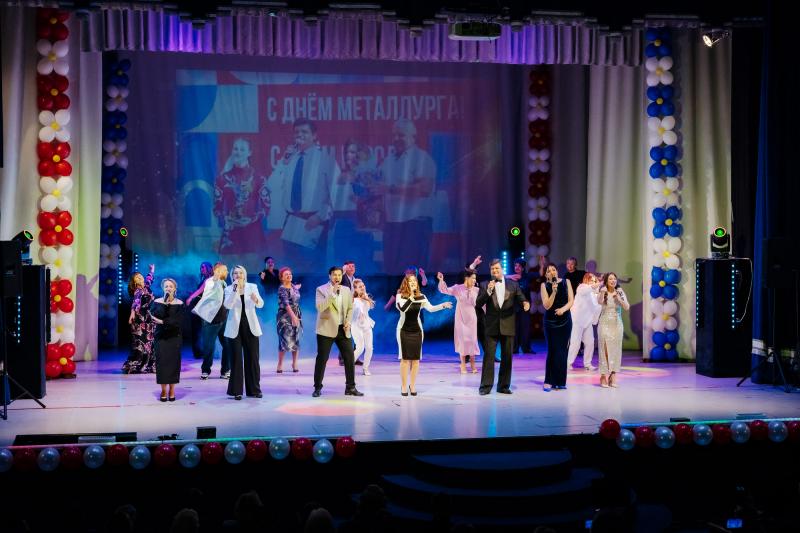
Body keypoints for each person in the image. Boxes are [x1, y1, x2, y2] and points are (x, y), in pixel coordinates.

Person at [267, 118, 339, 269]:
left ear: (314, 135)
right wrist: (284, 161)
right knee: (291, 269)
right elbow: (271, 185)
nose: (300, 135)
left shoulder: (325, 159)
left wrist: (320, 216)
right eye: (297, 132)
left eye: (304, 132)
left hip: (314, 222)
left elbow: (336, 194)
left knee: (313, 270)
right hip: (291, 221)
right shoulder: (289, 159)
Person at [378, 119, 436, 272]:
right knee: (392, 272)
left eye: (401, 135)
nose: (396, 138)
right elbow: (381, 190)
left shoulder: (421, 158)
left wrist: (391, 189)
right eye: (394, 135)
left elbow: (425, 189)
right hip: (392, 225)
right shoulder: (388, 161)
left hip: (415, 225)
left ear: (413, 137)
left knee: (413, 275)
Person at [476, 259, 530, 395]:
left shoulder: (513, 285)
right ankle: (485, 386)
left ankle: (503, 386)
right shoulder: (484, 284)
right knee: (489, 357)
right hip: (491, 325)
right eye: (492, 269)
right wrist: (488, 291)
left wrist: (525, 303)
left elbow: (521, 298)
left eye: (497, 268)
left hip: (508, 324)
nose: (495, 271)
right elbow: (478, 303)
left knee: (507, 357)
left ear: (502, 270)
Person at [396, 273, 453, 396]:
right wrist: (411, 298)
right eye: (410, 281)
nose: (413, 283)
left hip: (417, 331)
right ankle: (404, 386)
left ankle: (412, 385)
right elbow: (403, 309)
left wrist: (443, 305)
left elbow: (431, 308)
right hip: (403, 331)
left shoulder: (421, 296)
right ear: (406, 283)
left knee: (416, 360)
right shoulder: (400, 296)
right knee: (405, 359)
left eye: (414, 281)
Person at [312, 266, 363, 397]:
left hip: (343, 329)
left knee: (349, 357)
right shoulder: (321, 289)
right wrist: (333, 293)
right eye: (334, 275)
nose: (337, 277)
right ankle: (317, 387)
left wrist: (348, 322)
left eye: (339, 275)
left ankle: (350, 387)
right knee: (322, 359)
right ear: (329, 276)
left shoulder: (346, 290)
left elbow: (350, 308)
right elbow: (320, 307)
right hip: (326, 329)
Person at [214, 138, 269, 254]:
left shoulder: (259, 178)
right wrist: (226, 218)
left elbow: (267, 207)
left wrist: (252, 219)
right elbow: (216, 208)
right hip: (230, 235)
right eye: (235, 149)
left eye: (242, 149)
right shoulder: (222, 179)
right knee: (227, 266)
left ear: (249, 153)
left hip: (252, 235)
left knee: (252, 265)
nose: (238, 152)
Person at [223, 265, 264, 400]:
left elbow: (260, 304)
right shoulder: (229, 289)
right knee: (236, 359)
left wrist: (255, 299)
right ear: (232, 276)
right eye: (235, 273)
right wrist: (235, 290)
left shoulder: (252, 287)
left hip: (250, 325)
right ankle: (237, 391)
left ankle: (254, 390)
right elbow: (227, 305)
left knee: (253, 359)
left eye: (240, 273)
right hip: (234, 326)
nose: (238, 275)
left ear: (244, 275)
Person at [192, 263, 232, 380]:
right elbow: (205, 291)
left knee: (227, 345)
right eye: (223, 270)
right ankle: (205, 370)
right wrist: (191, 298)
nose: (226, 272)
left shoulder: (224, 283)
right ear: (216, 270)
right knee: (209, 347)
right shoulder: (210, 281)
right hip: (211, 320)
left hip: (223, 318)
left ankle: (225, 370)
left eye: (225, 270)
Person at [437, 269, 480, 374]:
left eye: (475, 278)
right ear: (467, 278)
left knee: (472, 340)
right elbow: (444, 290)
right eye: (473, 278)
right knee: (462, 340)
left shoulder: (476, 290)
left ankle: (473, 364)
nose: (475, 280)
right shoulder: (458, 288)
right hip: (460, 317)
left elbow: (483, 304)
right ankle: (463, 364)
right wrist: (441, 280)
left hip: (471, 318)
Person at [541, 262, 574, 391]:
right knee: (552, 350)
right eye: (549, 271)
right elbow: (547, 305)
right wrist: (554, 292)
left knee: (563, 350)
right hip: (550, 321)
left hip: (565, 320)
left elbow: (571, 300)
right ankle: (549, 381)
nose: (552, 272)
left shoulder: (566, 282)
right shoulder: (544, 286)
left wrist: (563, 310)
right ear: (546, 274)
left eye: (553, 269)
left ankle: (560, 381)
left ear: (557, 271)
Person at [151, 278, 184, 402]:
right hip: (161, 337)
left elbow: (178, 321)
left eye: (170, 286)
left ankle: (172, 389)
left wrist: (163, 322)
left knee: (173, 363)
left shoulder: (180, 303)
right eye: (166, 286)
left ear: (175, 289)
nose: (168, 288)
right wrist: (165, 304)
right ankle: (164, 390)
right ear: (163, 288)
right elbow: (154, 316)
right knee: (162, 364)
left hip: (174, 337)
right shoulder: (157, 301)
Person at [122, 264, 156, 374]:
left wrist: (152, 270)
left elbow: (149, 278)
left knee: (149, 342)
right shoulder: (138, 290)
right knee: (140, 342)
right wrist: (132, 314)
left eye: (140, 276)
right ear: (134, 282)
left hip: (148, 319)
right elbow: (136, 302)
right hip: (139, 319)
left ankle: (149, 365)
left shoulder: (146, 286)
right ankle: (136, 365)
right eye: (137, 277)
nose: (140, 277)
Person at [598, 273, 630, 388]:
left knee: (616, 350)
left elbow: (627, 307)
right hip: (604, 322)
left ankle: (613, 375)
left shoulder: (619, 291)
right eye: (610, 279)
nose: (613, 281)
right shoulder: (603, 291)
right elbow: (599, 302)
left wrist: (619, 298)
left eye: (614, 279)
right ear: (606, 281)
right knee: (604, 349)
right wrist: (602, 292)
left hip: (617, 324)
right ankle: (603, 375)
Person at [568, 272, 602, 371]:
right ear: (586, 280)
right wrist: (599, 283)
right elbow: (588, 289)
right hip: (577, 320)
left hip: (587, 321)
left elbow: (597, 308)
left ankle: (587, 364)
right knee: (575, 343)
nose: (593, 282)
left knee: (590, 342)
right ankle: (568, 363)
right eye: (591, 280)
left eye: (594, 280)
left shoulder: (594, 294)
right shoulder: (581, 287)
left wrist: (599, 292)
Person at [276, 267, 302, 374]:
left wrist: (296, 287)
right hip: (284, 316)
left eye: (290, 274)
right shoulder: (282, 288)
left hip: (296, 313)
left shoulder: (293, 286)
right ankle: (280, 364)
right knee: (284, 339)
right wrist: (293, 317)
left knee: (296, 338)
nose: (289, 275)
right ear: (282, 277)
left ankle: (295, 363)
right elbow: (286, 304)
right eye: (286, 274)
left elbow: (295, 297)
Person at [186, 262, 213, 360]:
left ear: (209, 268)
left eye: (203, 267)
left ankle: (200, 352)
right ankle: (198, 352)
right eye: (201, 267)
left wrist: (191, 297)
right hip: (198, 307)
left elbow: (202, 293)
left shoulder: (209, 280)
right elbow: (201, 293)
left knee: (199, 330)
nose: (201, 269)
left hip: (203, 309)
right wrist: (193, 295)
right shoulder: (204, 280)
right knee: (197, 330)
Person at [507, 258, 535, 354]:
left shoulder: (527, 276)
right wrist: (509, 276)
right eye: (515, 265)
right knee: (514, 328)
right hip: (513, 306)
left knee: (525, 328)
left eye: (519, 266)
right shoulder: (510, 277)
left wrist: (542, 264)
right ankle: (514, 349)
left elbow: (540, 274)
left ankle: (526, 348)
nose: (517, 267)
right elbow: (498, 277)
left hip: (525, 306)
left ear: (523, 268)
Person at [351, 279, 376, 375]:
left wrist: (365, 297)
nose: (362, 287)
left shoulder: (365, 298)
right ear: (355, 289)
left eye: (363, 286)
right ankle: (349, 365)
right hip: (356, 325)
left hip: (366, 324)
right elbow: (354, 312)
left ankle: (365, 368)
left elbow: (368, 308)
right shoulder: (354, 300)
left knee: (369, 348)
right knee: (360, 347)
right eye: (360, 287)